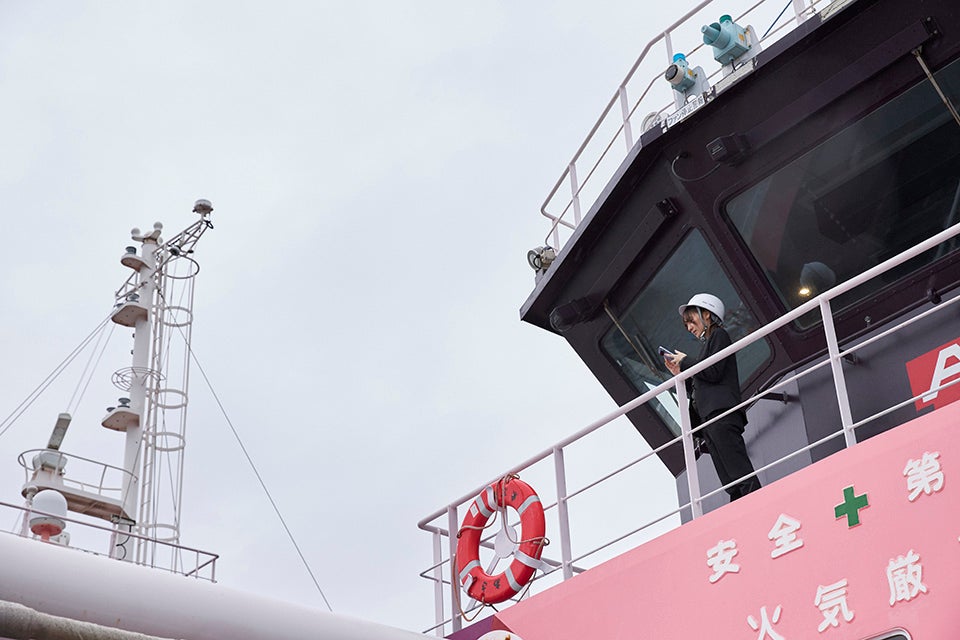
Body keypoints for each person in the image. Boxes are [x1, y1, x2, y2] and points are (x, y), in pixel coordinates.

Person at [663, 293, 761, 501]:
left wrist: (686, 361)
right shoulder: (708, 345)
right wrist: (680, 374)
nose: (689, 327)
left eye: (691, 320)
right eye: (687, 324)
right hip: (710, 419)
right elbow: (703, 382)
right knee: (729, 480)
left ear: (706, 314)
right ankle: (744, 509)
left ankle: (758, 505)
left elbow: (713, 371)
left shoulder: (719, 336)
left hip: (720, 414)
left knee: (739, 471)